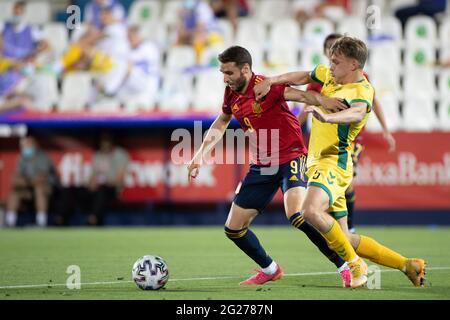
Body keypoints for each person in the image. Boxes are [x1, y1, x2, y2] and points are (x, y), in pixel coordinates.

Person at [254, 36, 426, 288]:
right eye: (330, 62)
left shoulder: (362, 90)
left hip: (334, 162)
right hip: (317, 164)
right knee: (344, 237)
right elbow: (303, 75)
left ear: (354, 65)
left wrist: (327, 117)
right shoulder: (330, 76)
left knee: (309, 211)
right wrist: (271, 80)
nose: (330, 66)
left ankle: (356, 265)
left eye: (336, 62)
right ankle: (407, 264)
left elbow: (356, 112)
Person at [187, 45, 355, 287]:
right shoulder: (231, 93)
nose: (225, 78)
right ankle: (270, 269)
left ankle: (345, 265)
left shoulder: (266, 86)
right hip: (262, 165)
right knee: (233, 229)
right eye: (222, 73)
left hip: (291, 157)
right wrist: (201, 153)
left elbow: (303, 96)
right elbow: (222, 120)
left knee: (297, 215)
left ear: (245, 69)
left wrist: (325, 101)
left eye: (229, 73)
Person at [298, 33, 396, 233]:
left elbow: (371, 101)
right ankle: (342, 230)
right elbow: (306, 104)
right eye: (328, 51)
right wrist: (295, 130)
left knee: (346, 182)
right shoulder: (323, 77)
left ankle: (347, 228)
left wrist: (385, 129)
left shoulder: (359, 80)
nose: (330, 57)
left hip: (350, 140)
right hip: (323, 140)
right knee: (338, 187)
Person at [5, 135, 58, 227]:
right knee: (15, 192)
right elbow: (17, 177)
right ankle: (10, 222)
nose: (25, 148)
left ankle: (41, 222)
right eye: (23, 145)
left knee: (39, 189)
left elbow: (41, 178)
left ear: (34, 145)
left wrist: (26, 182)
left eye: (27, 145)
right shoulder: (22, 158)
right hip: (29, 187)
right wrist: (22, 182)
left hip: (47, 187)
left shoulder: (42, 156)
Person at [0, 1, 49, 97]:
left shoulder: (31, 29)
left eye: (19, 12)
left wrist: (32, 54)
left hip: (23, 64)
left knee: (31, 73)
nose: (17, 13)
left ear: (24, 12)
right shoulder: (4, 25)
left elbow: (46, 44)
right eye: (15, 11)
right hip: (7, 63)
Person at [86, 131, 129, 226]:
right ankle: (60, 222)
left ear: (112, 141)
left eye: (106, 140)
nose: (104, 143)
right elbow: (92, 177)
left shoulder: (120, 154)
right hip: (97, 190)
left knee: (102, 191)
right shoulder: (97, 155)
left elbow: (119, 181)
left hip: (112, 190)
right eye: (102, 140)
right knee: (73, 190)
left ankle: (93, 220)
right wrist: (92, 184)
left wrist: (104, 182)